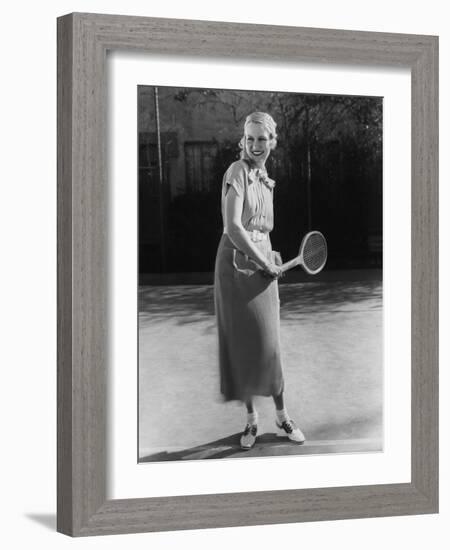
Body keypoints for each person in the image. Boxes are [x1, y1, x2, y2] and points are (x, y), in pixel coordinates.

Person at [214, 112, 305, 450]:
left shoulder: (265, 178)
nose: (255, 145)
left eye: (261, 139)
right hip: (235, 266)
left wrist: (271, 256)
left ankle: (282, 416)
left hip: (263, 261)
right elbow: (234, 227)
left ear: (272, 142)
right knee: (243, 344)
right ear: (243, 141)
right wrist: (261, 259)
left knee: (270, 344)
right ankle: (252, 420)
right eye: (249, 139)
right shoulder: (236, 172)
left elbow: (261, 228)